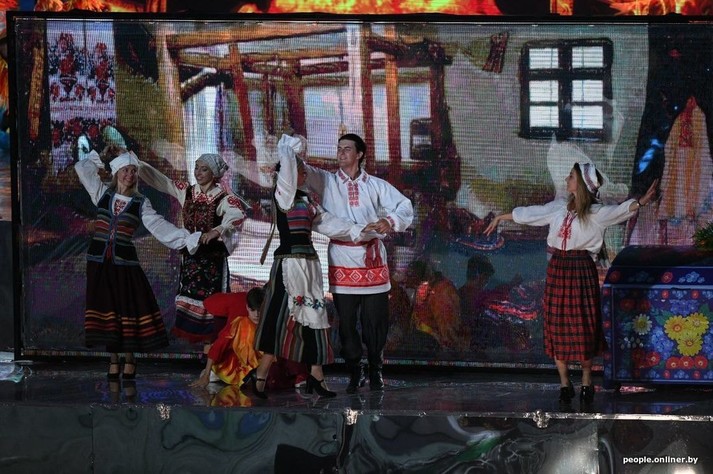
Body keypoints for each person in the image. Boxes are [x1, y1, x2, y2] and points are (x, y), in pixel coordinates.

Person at [485, 162, 658, 405]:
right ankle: (565, 383)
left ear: (583, 184)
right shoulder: (558, 208)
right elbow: (533, 214)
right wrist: (502, 217)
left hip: (581, 269)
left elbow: (619, 211)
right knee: (556, 322)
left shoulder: (595, 213)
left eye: (572, 176)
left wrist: (640, 203)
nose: (567, 179)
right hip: (558, 267)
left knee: (582, 323)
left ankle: (586, 380)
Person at [247, 133, 379, 399]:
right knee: (283, 319)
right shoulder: (284, 195)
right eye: (300, 170)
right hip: (289, 265)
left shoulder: (307, 202)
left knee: (316, 316)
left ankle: (317, 377)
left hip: (309, 265)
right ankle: (259, 375)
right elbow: (287, 165)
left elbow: (331, 224)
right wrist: (290, 150)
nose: (304, 173)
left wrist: (362, 230)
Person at [75, 146, 201, 379]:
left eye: (133, 171)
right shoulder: (102, 193)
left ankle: (130, 357)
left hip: (125, 264)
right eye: (125, 170)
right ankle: (113, 359)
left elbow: (159, 226)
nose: (130, 175)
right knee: (108, 310)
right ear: (116, 172)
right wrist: (99, 157)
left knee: (126, 310)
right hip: (99, 263)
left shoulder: (141, 202)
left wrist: (186, 239)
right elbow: (83, 169)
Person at [304, 133, 414, 393]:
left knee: (375, 321)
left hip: (371, 259)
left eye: (347, 149)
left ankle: (376, 369)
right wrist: (290, 148)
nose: (341, 153)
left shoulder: (375, 185)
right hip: (342, 259)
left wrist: (389, 221)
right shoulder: (327, 181)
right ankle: (355, 370)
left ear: (360, 154)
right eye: (339, 148)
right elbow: (302, 170)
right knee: (346, 322)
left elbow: (404, 205)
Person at [139, 153, 246, 348]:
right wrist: (137, 165)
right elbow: (162, 181)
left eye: (204, 169)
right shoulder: (187, 191)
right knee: (191, 300)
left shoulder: (223, 198)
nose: (198, 172)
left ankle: (212, 353)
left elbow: (237, 215)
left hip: (213, 260)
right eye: (197, 168)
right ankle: (206, 354)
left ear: (214, 174)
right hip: (192, 258)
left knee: (213, 305)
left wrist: (217, 230)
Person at [190, 287, 308, 389]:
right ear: (247, 307)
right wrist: (206, 375)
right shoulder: (238, 323)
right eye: (252, 310)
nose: (256, 314)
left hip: (265, 364)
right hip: (239, 365)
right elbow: (218, 346)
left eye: (260, 310)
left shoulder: (271, 322)